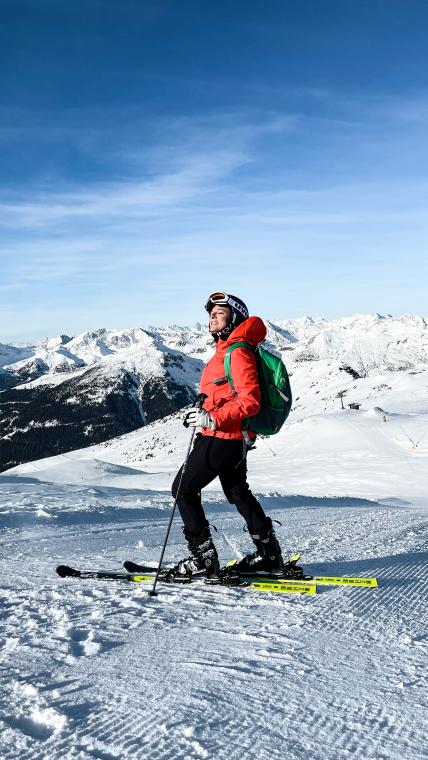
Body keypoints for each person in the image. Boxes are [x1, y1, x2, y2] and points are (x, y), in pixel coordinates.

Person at [170, 291, 285, 579]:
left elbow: (250, 400)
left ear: (234, 319)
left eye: (220, 312)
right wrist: (202, 411)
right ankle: (269, 554)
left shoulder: (237, 352)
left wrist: (213, 417)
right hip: (232, 439)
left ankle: (203, 559)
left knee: (182, 490)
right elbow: (224, 393)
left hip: (222, 438)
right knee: (237, 493)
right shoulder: (225, 351)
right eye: (211, 312)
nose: (212, 316)